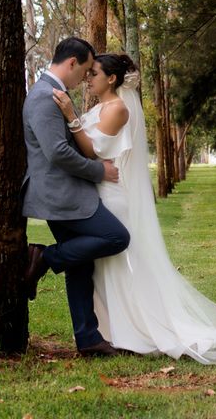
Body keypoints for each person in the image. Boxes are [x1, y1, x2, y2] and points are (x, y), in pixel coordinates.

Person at [51, 53, 216, 363]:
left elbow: (93, 151)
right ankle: (109, 331)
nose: (88, 77)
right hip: (95, 190)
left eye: (94, 73)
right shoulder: (98, 108)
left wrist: (70, 116)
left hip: (110, 194)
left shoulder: (118, 109)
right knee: (104, 268)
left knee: (117, 264)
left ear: (111, 79)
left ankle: (127, 330)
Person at [21, 37, 131, 357]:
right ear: (72, 63)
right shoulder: (44, 96)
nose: (85, 77)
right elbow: (57, 153)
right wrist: (100, 173)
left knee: (81, 265)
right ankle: (44, 258)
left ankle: (89, 339)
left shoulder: (54, 94)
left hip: (66, 191)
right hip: (60, 194)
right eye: (84, 69)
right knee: (116, 236)